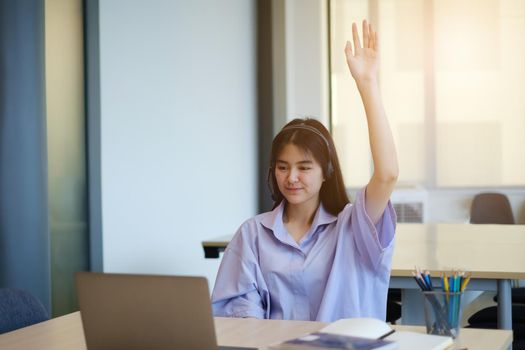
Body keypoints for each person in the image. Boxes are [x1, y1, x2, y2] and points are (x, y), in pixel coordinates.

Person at [211, 20, 398, 322]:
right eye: (282, 167)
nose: (291, 177)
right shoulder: (253, 234)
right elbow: (239, 319)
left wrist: (367, 84)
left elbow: (387, 174)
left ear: (326, 171)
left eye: (304, 167)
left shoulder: (354, 226)